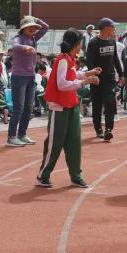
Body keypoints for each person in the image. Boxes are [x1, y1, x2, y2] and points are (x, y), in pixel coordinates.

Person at [36, 30, 101, 189]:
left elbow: (73, 75)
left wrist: (87, 73)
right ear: (75, 44)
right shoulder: (63, 60)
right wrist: (86, 81)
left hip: (70, 104)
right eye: (79, 44)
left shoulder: (69, 59)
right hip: (59, 106)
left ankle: (75, 176)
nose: (81, 47)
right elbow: (62, 84)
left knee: (74, 142)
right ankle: (43, 174)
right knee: (55, 142)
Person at [7, 15, 49, 147]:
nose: (32, 29)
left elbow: (45, 27)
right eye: (29, 27)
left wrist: (35, 19)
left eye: (33, 27)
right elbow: (14, 46)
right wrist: (25, 48)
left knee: (28, 107)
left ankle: (22, 134)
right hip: (19, 77)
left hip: (30, 76)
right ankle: (11, 137)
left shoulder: (33, 38)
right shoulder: (18, 38)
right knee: (18, 107)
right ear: (23, 28)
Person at [85, 17, 124, 141]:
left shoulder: (112, 41)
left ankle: (108, 129)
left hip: (110, 79)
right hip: (97, 80)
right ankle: (98, 129)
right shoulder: (93, 43)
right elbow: (89, 61)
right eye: (113, 27)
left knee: (110, 103)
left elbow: (116, 60)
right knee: (97, 105)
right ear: (106, 28)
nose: (114, 29)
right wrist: (92, 76)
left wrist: (121, 74)